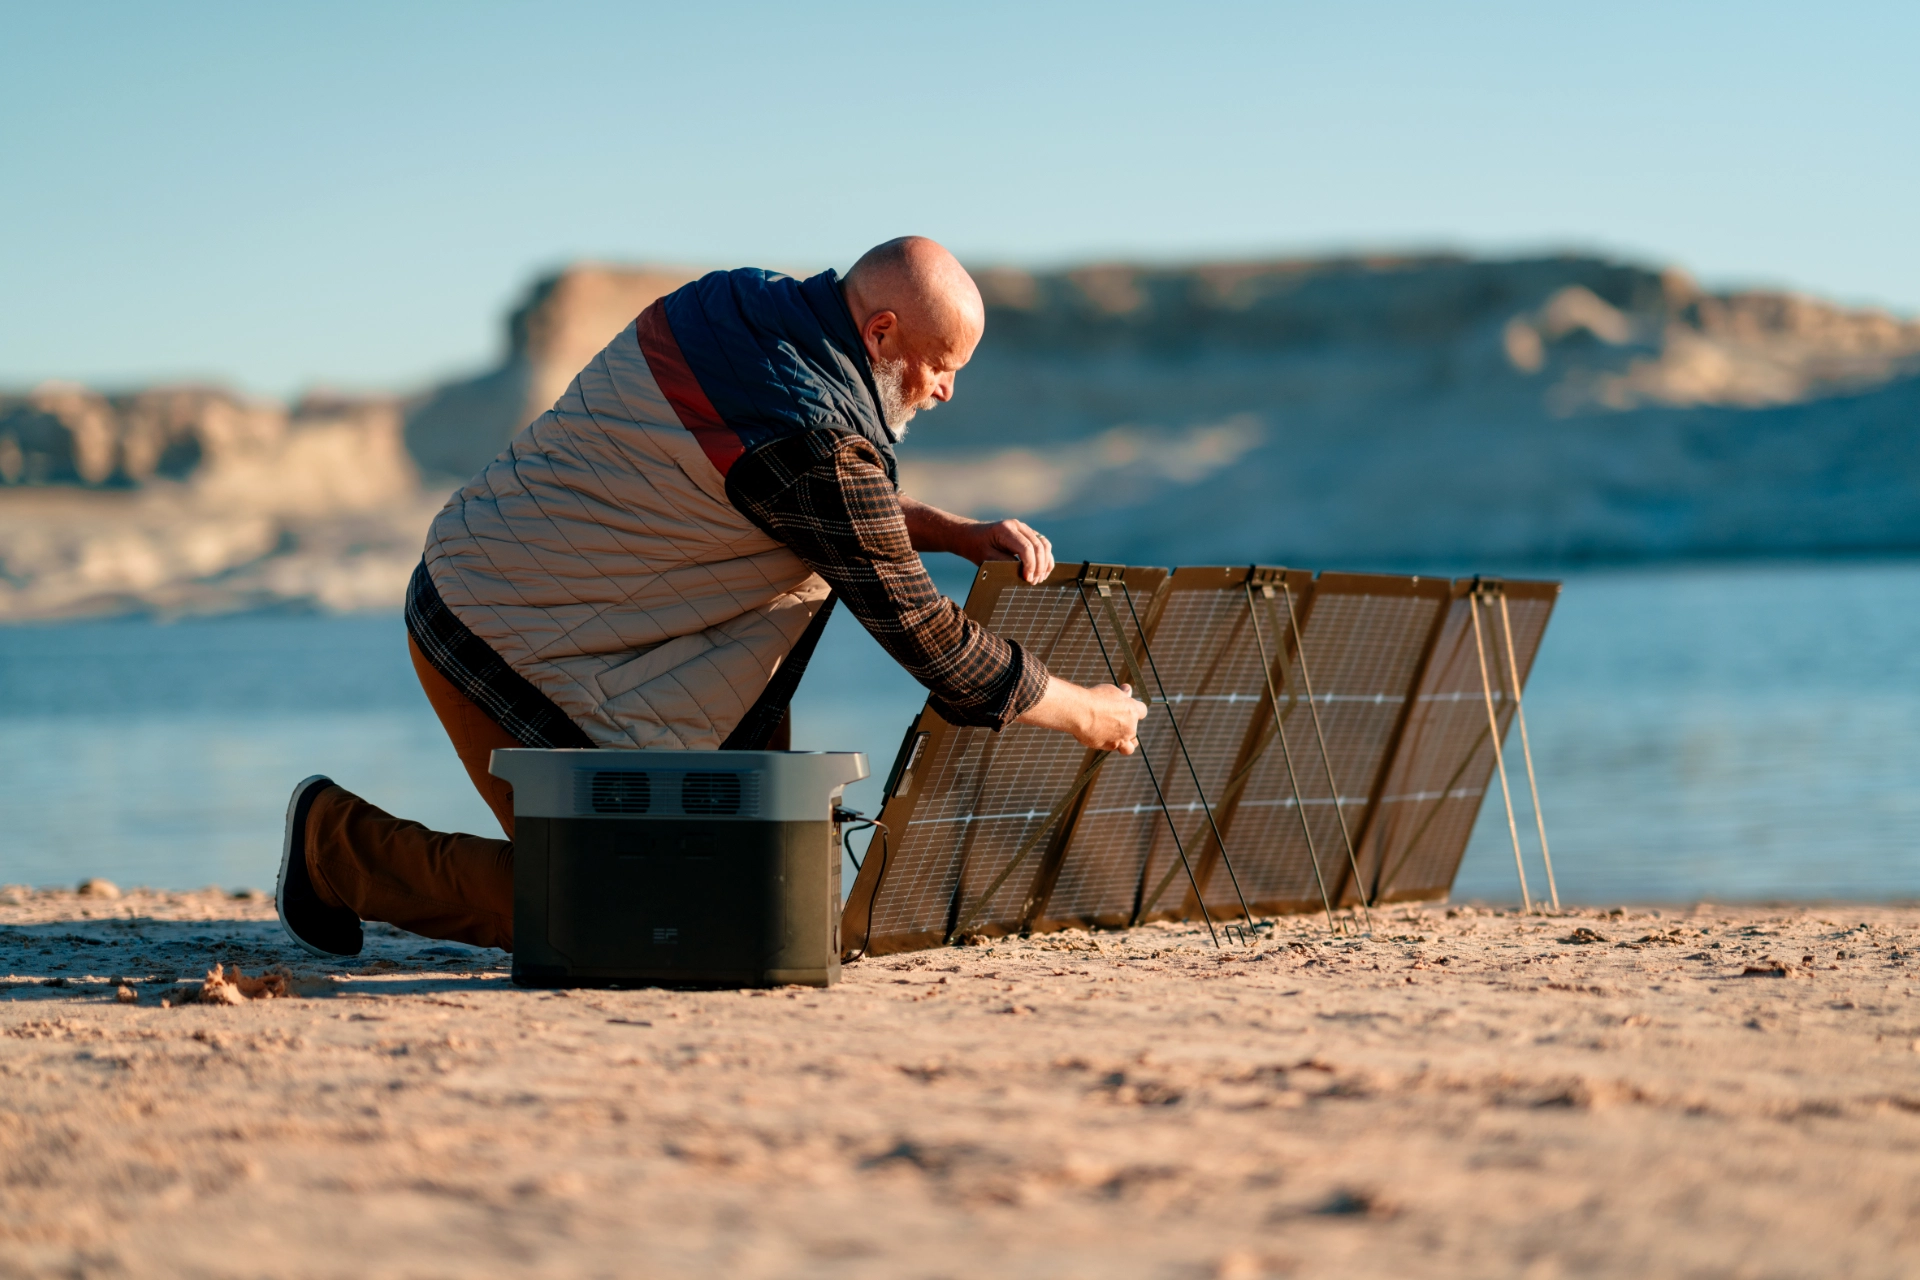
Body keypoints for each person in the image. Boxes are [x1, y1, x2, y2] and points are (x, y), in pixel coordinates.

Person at [275, 236, 1147, 957]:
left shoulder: (746, 306)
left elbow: (769, 493)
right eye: (941, 365)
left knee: (754, 896)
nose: (948, 389)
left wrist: (947, 530)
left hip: (578, 614)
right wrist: (1086, 711)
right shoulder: (813, 440)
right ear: (880, 334)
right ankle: (335, 848)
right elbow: (938, 649)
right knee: (640, 917)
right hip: (501, 633)